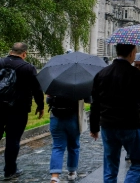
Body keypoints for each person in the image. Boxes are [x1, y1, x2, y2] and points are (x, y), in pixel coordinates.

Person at [89, 43, 140, 183]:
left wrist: (94, 127)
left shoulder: (102, 74)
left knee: (110, 166)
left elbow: (95, 103)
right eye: (135, 52)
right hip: (130, 124)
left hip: (108, 124)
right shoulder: (134, 74)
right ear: (131, 53)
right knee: (138, 162)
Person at [0, 42, 44, 180]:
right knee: (13, 140)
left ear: (11, 51)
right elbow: (37, 89)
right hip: (18, 109)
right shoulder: (28, 68)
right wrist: (40, 105)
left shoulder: (0, 62)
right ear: (24, 54)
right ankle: (10, 171)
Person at [48, 95, 89, 183]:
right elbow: (88, 99)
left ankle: (54, 177)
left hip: (56, 117)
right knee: (74, 145)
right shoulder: (78, 83)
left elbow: (48, 100)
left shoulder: (55, 83)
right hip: (73, 117)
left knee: (57, 147)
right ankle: (72, 172)